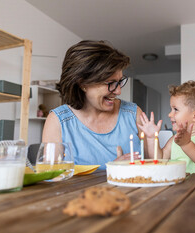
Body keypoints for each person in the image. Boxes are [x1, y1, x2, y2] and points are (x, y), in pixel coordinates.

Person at [42, 40, 142, 169]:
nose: (118, 91)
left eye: (119, 81)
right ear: (83, 83)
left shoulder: (133, 114)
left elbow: (155, 164)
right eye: (110, 83)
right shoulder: (58, 121)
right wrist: (112, 168)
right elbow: (51, 178)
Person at [138, 80, 195, 174]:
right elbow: (159, 161)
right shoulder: (175, 138)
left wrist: (186, 144)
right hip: (179, 186)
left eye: (175, 109)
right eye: (171, 109)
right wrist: (151, 138)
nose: (169, 114)